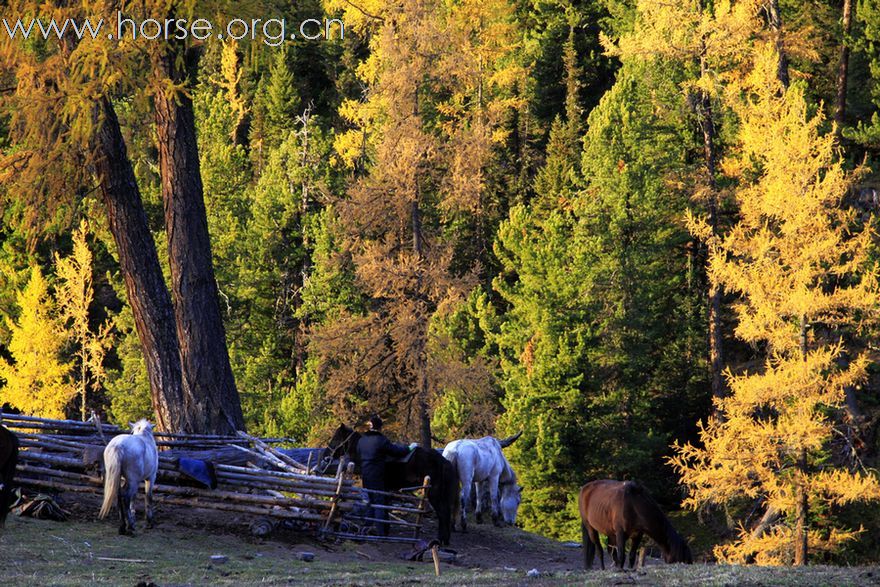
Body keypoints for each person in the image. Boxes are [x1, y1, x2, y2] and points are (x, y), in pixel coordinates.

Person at [356, 415, 414, 535]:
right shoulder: (381, 441)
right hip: (377, 475)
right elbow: (396, 451)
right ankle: (381, 532)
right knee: (379, 502)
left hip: (365, 475)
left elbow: (358, 454)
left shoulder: (361, 440)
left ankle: (367, 526)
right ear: (380, 427)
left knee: (369, 501)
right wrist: (409, 448)